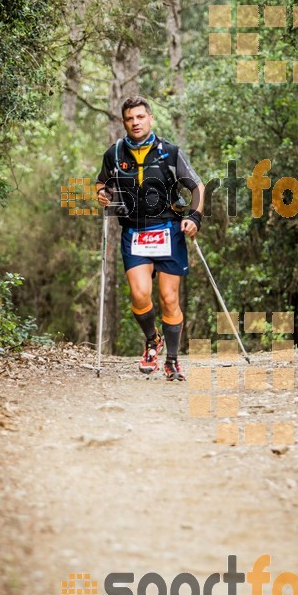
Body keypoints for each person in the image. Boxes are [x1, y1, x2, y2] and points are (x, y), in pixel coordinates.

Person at [95, 96, 204, 381]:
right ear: (124, 122)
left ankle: (172, 360)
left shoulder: (169, 151)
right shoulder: (115, 153)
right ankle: (152, 340)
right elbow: (101, 183)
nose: (136, 122)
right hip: (134, 231)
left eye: (140, 117)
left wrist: (194, 218)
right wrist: (102, 194)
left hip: (169, 229)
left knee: (169, 298)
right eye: (130, 118)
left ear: (150, 118)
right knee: (140, 294)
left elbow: (197, 186)